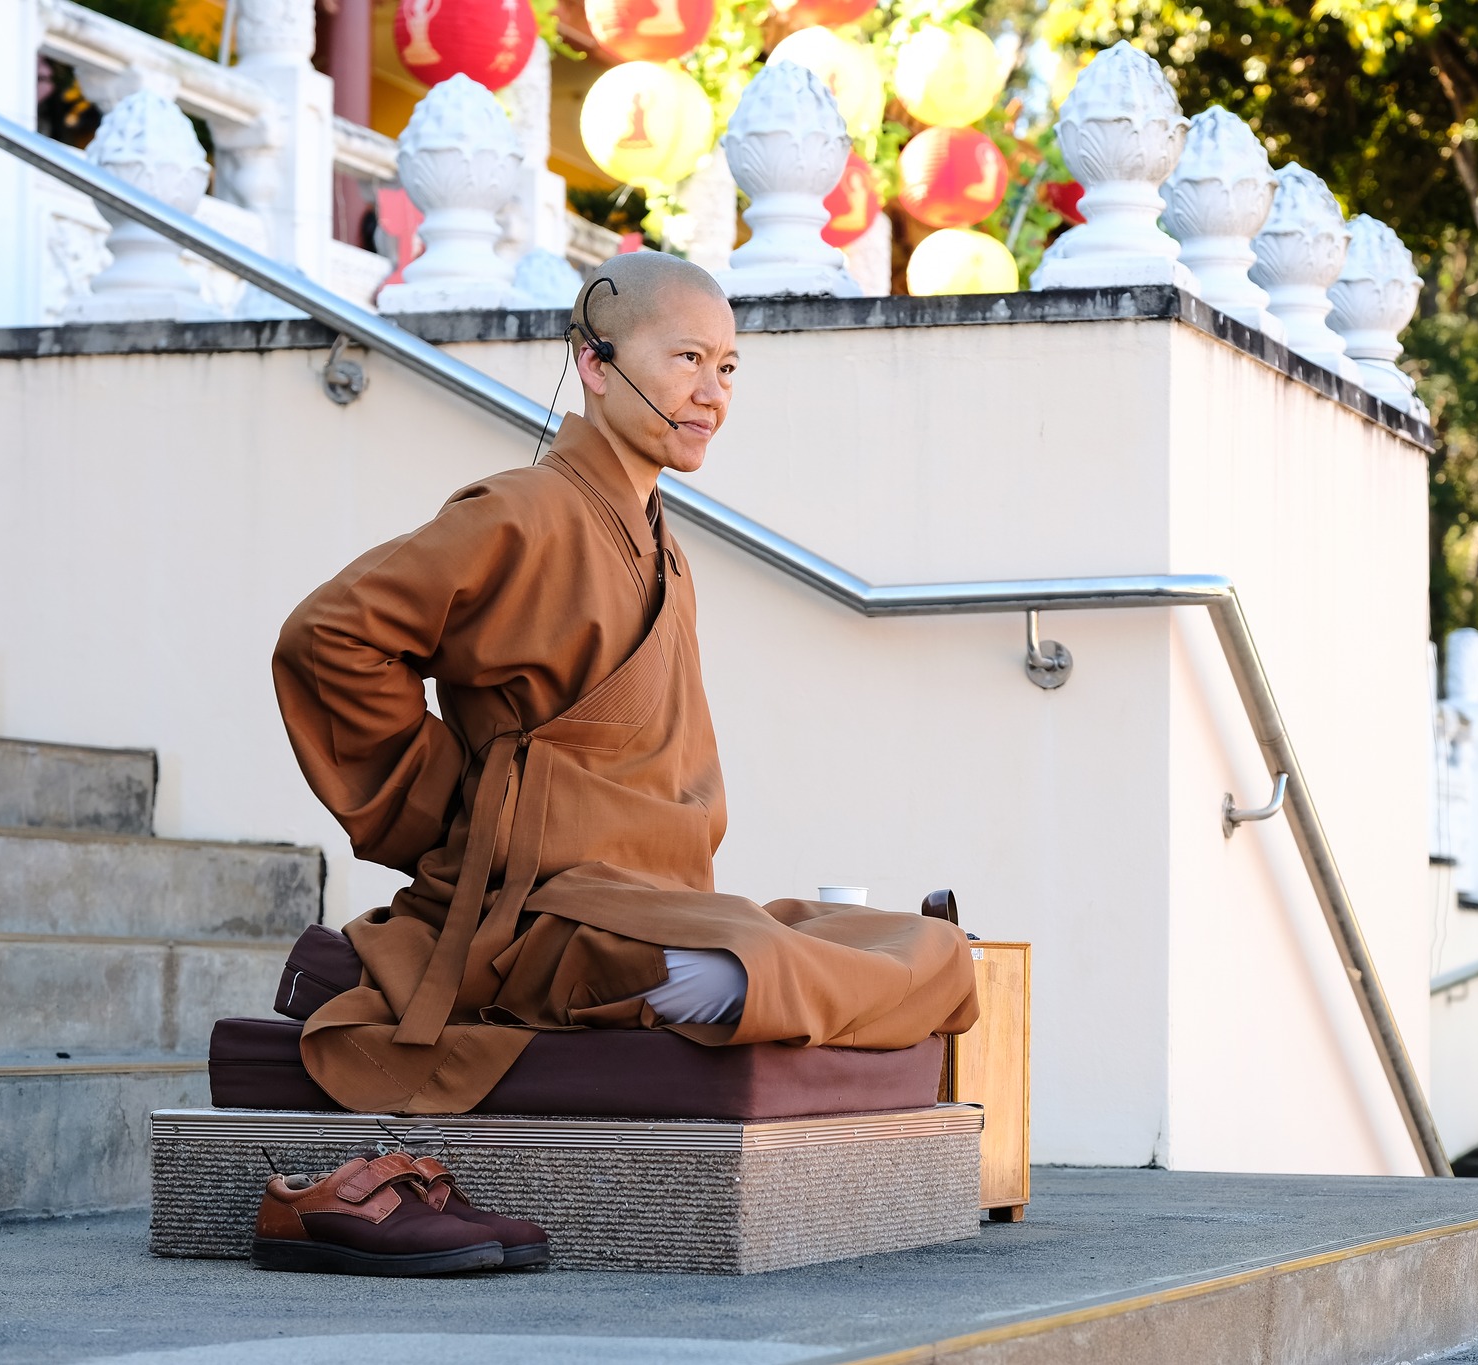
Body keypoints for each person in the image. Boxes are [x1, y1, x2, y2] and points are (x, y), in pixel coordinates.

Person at [272, 252, 979, 1115]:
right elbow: (330, 638)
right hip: (545, 910)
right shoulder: (522, 511)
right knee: (751, 970)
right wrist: (450, 811)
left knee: (935, 948)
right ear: (595, 364)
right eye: (687, 360)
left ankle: (752, 970)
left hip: (663, 900)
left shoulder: (666, 549)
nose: (713, 394)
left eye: (727, 368)